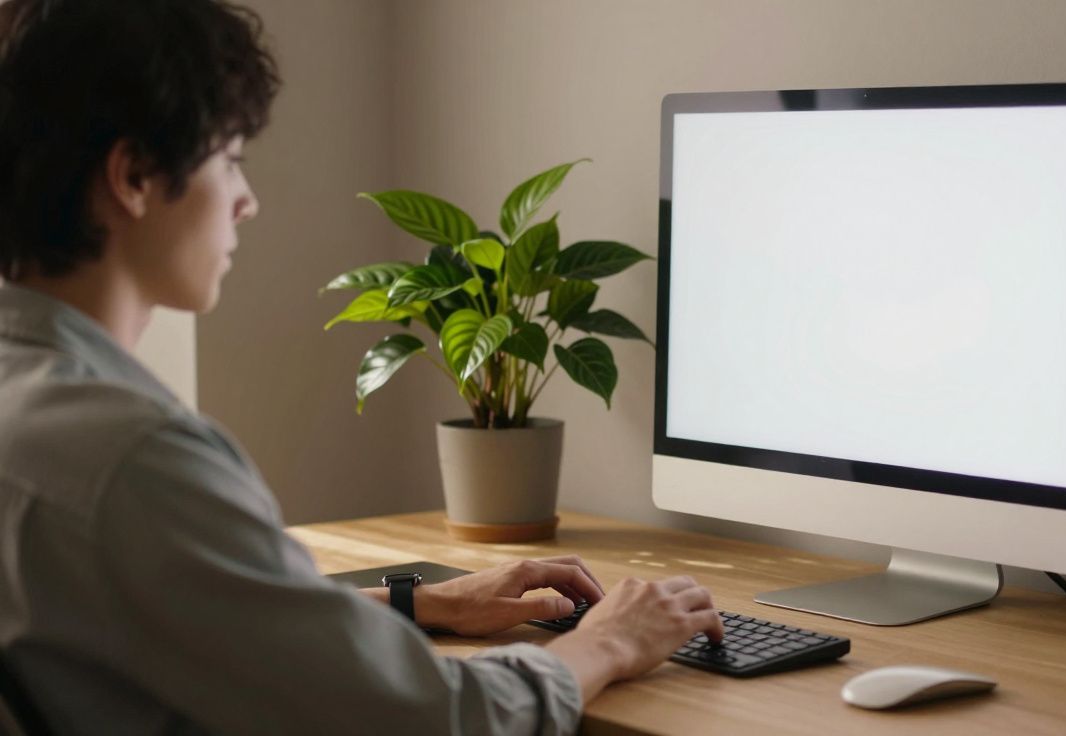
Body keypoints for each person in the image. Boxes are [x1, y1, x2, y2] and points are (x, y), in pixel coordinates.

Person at [0, 1, 724, 734]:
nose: (246, 202)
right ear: (134, 177)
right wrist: (608, 642)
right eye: (229, 161)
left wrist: (424, 601)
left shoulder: (31, 406)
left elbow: (212, 621)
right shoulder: (137, 460)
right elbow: (438, 719)